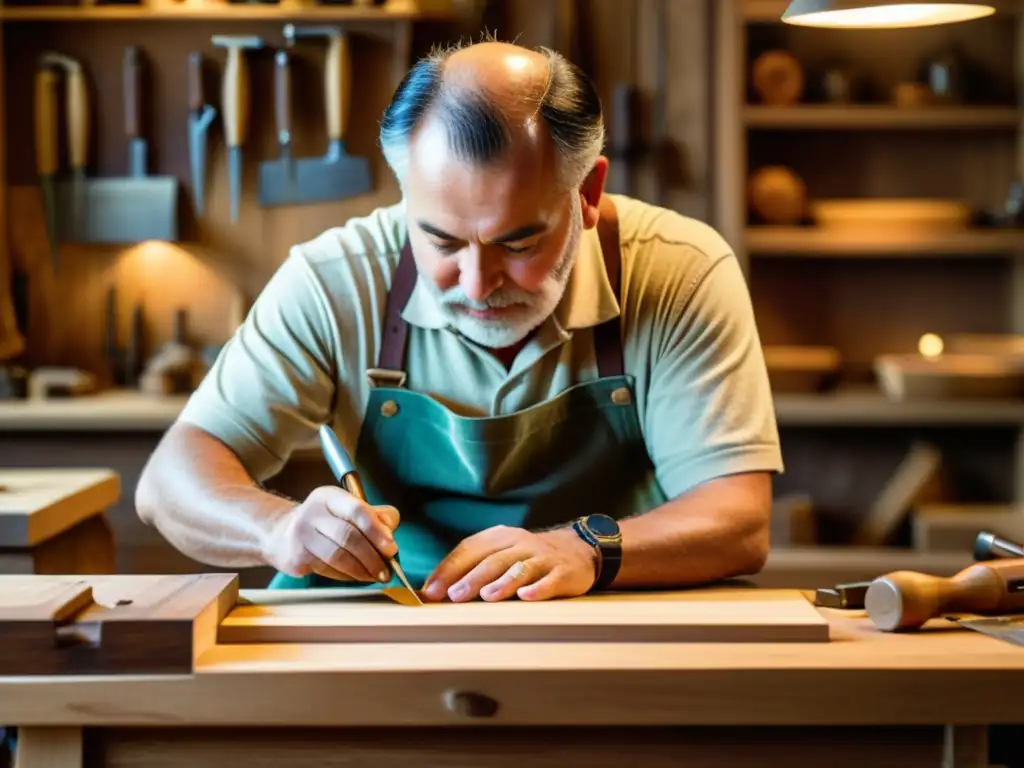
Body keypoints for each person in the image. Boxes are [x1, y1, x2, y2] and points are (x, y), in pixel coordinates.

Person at [135, 38, 784, 603]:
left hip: (601, 607)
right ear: (405, 194)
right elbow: (170, 482)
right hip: (382, 617)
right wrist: (274, 530)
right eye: (442, 243)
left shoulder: (679, 270)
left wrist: (585, 549)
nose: (478, 285)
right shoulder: (334, 277)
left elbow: (737, 518)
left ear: (587, 195)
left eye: (519, 244)